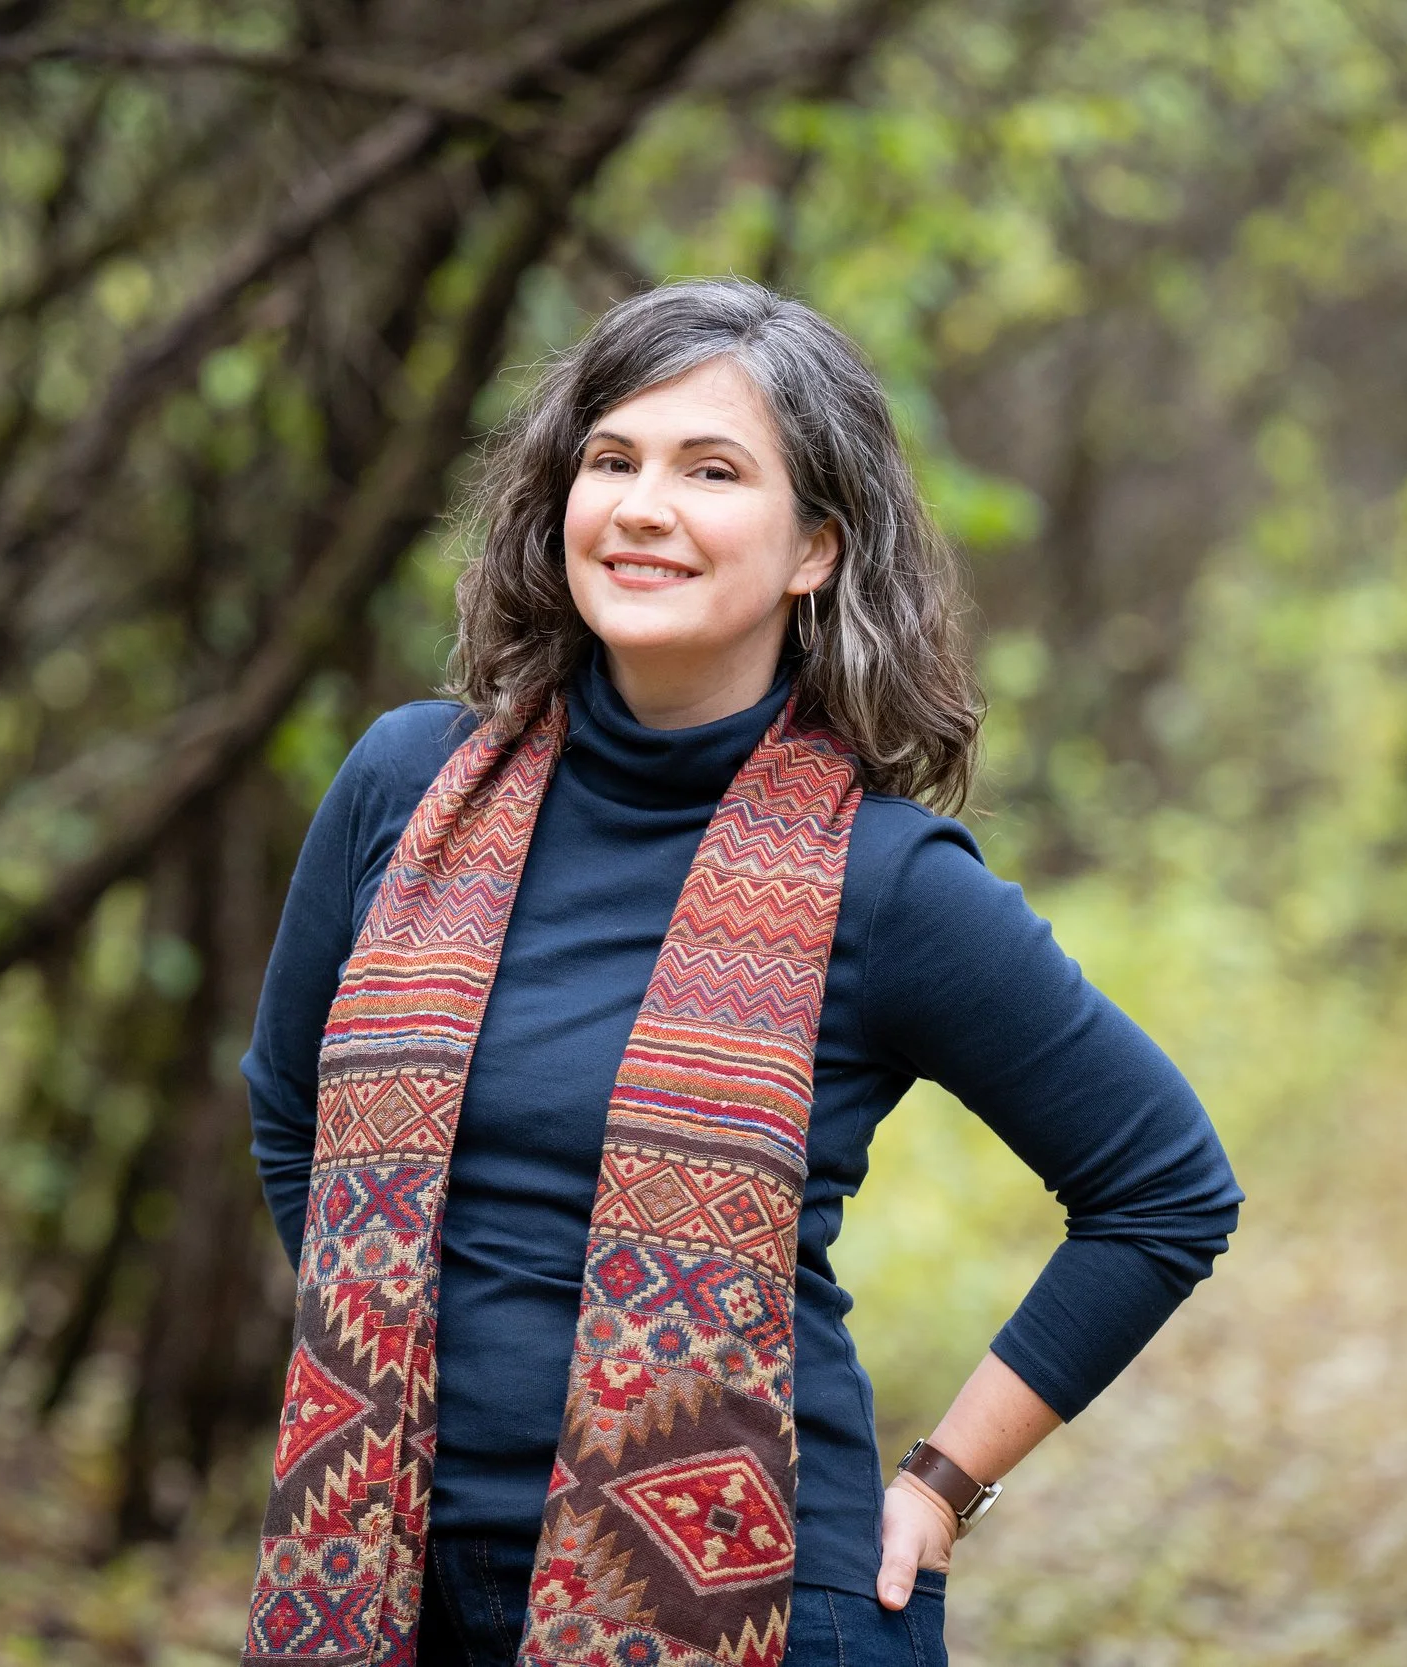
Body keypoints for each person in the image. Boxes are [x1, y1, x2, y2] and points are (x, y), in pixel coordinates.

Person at [239, 277, 1241, 1667]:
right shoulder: (406, 788)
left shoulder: (886, 881)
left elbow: (1164, 1192)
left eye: (711, 471)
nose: (644, 507)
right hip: (389, 1581)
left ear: (815, 548)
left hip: (756, 1605)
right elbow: (288, 1108)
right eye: (613, 460)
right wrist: (387, 1357)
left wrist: (943, 1484)